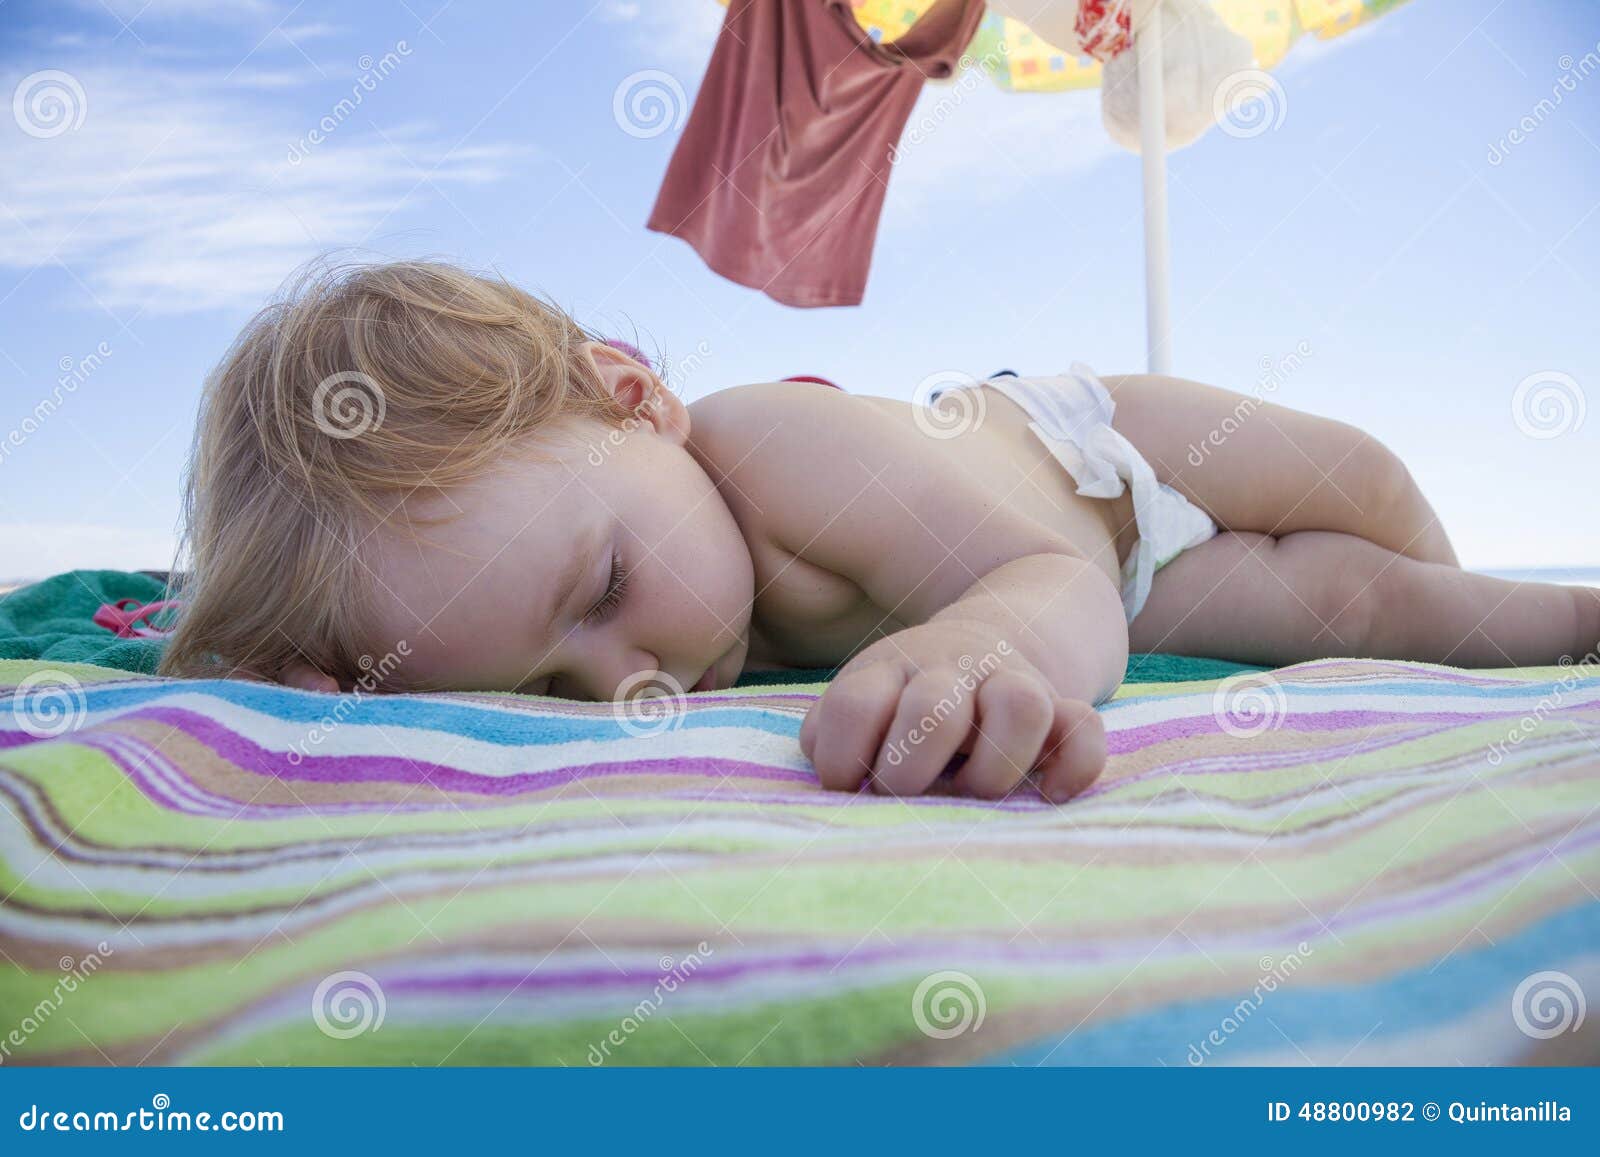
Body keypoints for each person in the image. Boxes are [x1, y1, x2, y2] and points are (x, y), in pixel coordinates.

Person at [160, 260, 1600, 803]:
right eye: (544, 685)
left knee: (1359, 476)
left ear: (633, 397)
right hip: (1130, 596)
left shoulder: (770, 447)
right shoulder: (632, 608)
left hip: (1088, 460)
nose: (628, 682)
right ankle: (1568, 624)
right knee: (1362, 614)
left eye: (603, 586)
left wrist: (975, 642)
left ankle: (1470, 567)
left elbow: (1039, 574)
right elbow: (1094, 611)